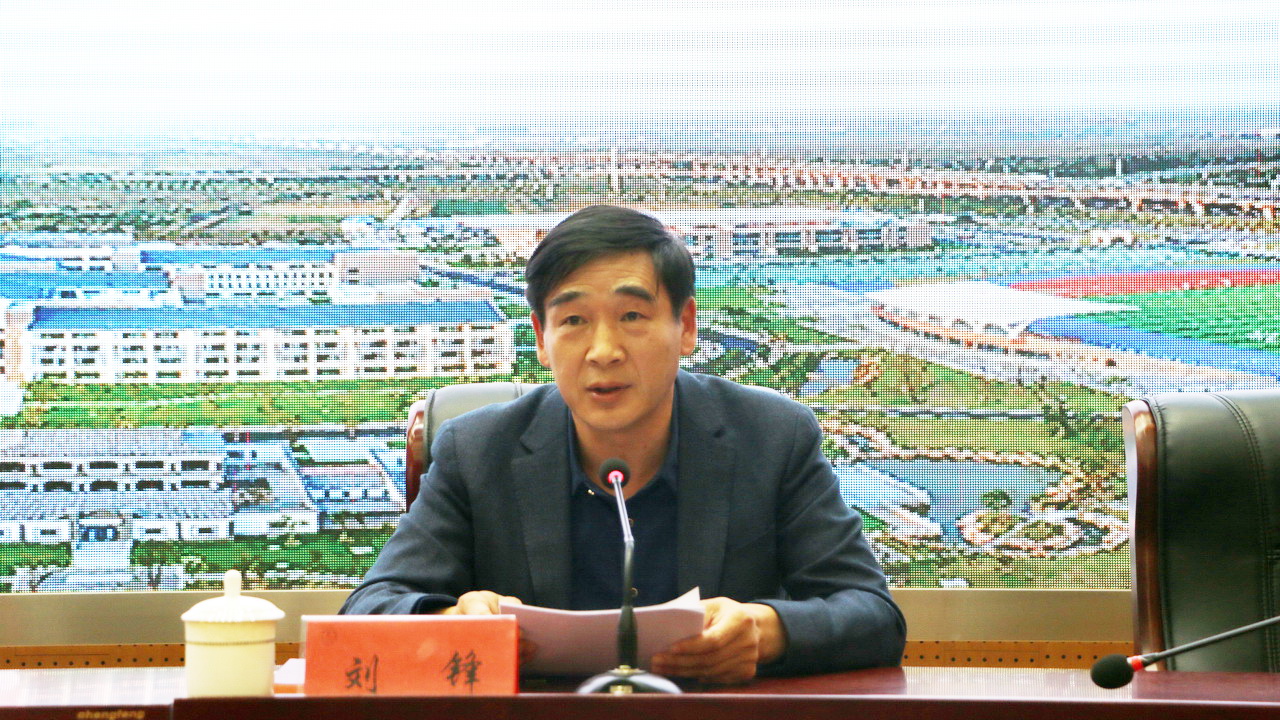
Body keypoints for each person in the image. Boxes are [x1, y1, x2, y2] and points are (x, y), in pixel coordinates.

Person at [341, 205, 906, 683]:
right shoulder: (477, 448)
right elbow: (366, 611)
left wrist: (766, 631)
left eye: (632, 315)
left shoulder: (773, 436)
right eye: (574, 321)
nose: (604, 351)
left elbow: (873, 616)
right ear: (541, 339)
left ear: (686, 326)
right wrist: (454, 623)